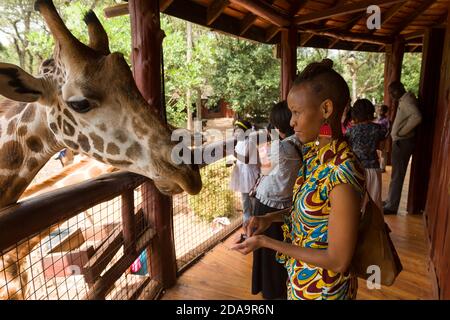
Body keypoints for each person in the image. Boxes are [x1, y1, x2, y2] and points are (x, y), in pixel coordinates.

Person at [232, 59, 365, 300]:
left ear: (326, 110)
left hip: (324, 291)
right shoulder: (315, 156)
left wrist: (267, 242)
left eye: (296, 112)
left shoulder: (341, 173)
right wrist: (267, 219)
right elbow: (310, 213)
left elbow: (338, 260)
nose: (291, 122)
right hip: (300, 281)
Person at [251, 101, 301, 300]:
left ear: (278, 125)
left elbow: (263, 168)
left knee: (266, 250)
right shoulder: (302, 143)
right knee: (280, 247)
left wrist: (266, 144)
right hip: (287, 204)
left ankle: (270, 292)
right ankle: (281, 288)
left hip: (267, 204)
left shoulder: (278, 148)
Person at [383, 81, 422, 215]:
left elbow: (417, 117)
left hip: (403, 142)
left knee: (398, 174)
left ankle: (392, 206)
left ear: (399, 89)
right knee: (395, 174)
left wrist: (402, 132)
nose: (391, 95)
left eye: (392, 91)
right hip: (401, 141)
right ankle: (390, 201)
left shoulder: (407, 101)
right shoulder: (403, 100)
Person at [345, 99, 387, 210]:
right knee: (374, 202)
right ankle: (375, 226)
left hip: (356, 169)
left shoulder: (351, 131)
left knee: (357, 203)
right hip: (373, 169)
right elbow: (382, 146)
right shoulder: (378, 129)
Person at [229, 119, 260, 223]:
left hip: (249, 174)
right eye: (235, 130)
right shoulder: (240, 142)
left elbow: (246, 159)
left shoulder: (250, 143)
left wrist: (232, 153)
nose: (236, 132)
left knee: (252, 199)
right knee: (245, 200)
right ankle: (247, 221)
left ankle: (255, 220)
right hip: (242, 174)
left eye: (238, 130)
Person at [374, 104, 390, 172]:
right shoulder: (377, 119)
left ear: (385, 112)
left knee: (383, 153)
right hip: (377, 138)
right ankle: (378, 166)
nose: (380, 111)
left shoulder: (386, 120)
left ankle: (382, 167)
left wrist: (385, 138)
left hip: (383, 138)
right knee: (377, 152)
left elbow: (389, 130)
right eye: (379, 110)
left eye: (382, 110)